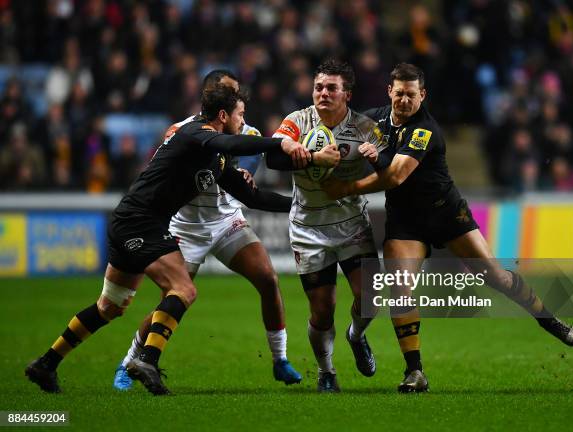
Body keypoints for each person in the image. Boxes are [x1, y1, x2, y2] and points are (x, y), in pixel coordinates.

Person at [25, 84, 318, 396]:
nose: (243, 122)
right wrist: (280, 144)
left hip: (132, 221)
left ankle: (46, 363)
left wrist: (302, 205)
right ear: (222, 115)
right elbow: (227, 140)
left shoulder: (214, 157)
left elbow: (252, 196)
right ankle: (147, 360)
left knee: (109, 306)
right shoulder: (195, 133)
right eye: (240, 115)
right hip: (140, 224)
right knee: (183, 289)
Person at [323, 63, 573, 393]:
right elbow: (341, 126)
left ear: (423, 95)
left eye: (411, 95)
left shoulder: (425, 130)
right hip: (406, 222)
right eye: (399, 93)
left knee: (498, 277)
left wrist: (349, 185)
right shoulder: (375, 118)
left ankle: (550, 321)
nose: (404, 100)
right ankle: (415, 372)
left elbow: (396, 176)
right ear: (389, 91)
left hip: (447, 215)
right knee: (400, 289)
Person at [112, 70, 302, 391]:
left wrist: (288, 197)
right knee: (172, 300)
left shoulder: (248, 130)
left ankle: (280, 358)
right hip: (186, 226)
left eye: (237, 94)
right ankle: (130, 360)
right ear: (213, 101)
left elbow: (246, 177)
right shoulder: (185, 131)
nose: (238, 102)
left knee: (268, 279)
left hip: (227, 221)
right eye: (229, 95)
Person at [269, 59, 387, 392]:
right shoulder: (297, 121)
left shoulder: (365, 128)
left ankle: (356, 335)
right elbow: (272, 157)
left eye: (331, 88)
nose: (323, 93)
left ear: (346, 94)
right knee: (322, 310)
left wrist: (377, 158)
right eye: (319, 86)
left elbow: (390, 167)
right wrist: (311, 157)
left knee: (372, 298)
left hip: (352, 224)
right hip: (309, 227)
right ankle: (326, 372)